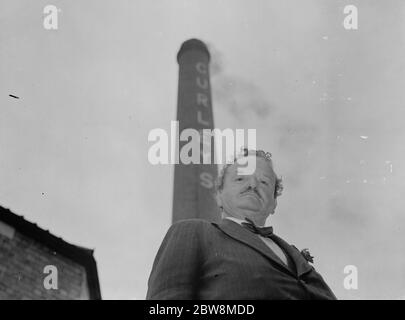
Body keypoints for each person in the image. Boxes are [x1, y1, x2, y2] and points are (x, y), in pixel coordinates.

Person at [146, 149, 337, 299]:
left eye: (264, 182)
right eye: (240, 179)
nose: (253, 185)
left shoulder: (293, 254)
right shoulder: (193, 231)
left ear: (274, 203)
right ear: (219, 196)